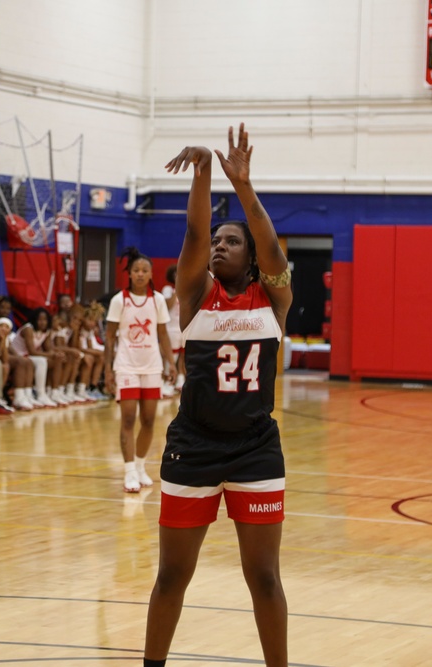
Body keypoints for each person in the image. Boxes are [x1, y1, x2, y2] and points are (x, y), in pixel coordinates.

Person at [144, 124, 293, 667]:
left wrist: (244, 186)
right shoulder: (195, 293)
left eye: (232, 241)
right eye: (218, 240)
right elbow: (192, 236)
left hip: (257, 448)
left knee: (264, 576)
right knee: (172, 575)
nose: (219, 247)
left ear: (251, 257)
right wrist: (205, 169)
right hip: (194, 446)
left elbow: (273, 245)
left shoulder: (272, 297)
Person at [104, 246, 175, 492]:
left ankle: (141, 466)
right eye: (136, 270)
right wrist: (107, 370)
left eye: (145, 270)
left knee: (148, 419)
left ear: (151, 273)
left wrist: (172, 364)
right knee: (129, 418)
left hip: (152, 366)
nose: (141, 274)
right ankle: (129, 472)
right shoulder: (118, 300)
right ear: (130, 274)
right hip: (126, 367)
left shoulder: (157, 301)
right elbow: (110, 337)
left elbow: (163, 334)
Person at [9, 308, 62, 408]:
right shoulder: (28, 329)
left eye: (45, 320)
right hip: (18, 355)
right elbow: (32, 351)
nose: (42, 322)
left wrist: (56, 354)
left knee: (56, 360)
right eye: (39, 320)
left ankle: (54, 392)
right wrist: (51, 354)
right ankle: (40, 394)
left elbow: (48, 348)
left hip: (30, 356)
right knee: (41, 361)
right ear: (34, 320)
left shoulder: (46, 331)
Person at [160, 264, 185, 398]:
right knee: (171, 357)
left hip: (183, 326)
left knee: (183, 356)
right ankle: (167, 383)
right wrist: (177, 291)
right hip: (171, 328)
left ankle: (180, 382)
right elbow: (167, 306)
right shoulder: (168, 289)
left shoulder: (188, 288)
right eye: (176, 274)